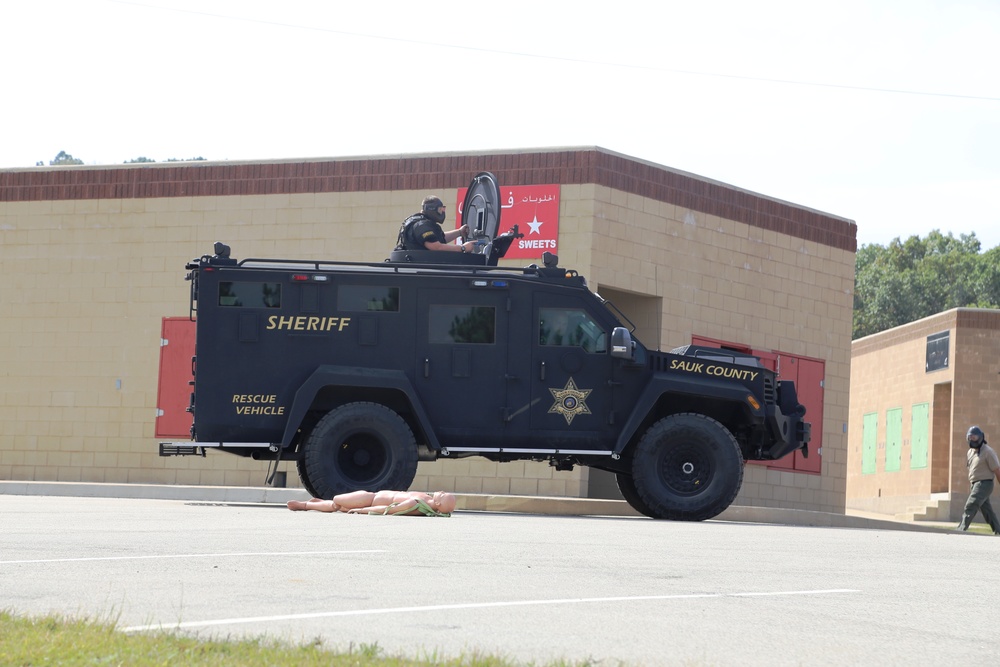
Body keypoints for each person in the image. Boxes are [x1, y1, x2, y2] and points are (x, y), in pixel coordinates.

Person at [396, 196, 476, 254]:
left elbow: (438, 238)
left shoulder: (423, 223)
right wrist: (463, 248)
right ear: (431, 209)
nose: (442, 212)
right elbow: (436, 247)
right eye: (440, 209)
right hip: (424, 268)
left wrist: (459, 232)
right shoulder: (422, 225)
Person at [957, 425, 1000, 534]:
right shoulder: (970, 452)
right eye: (970, 437)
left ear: (981, 437)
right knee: (987, 511)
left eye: (974, 437)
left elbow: (997, 470)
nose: (972, 440)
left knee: (971, 504)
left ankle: (961, 529)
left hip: (984, 483)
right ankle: (998, 531)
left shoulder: (988, 452)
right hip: (975, 484)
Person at [287, 489, 456, 517]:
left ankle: (305, 505)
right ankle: (315, 504)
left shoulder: (416, 503)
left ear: (439, 505)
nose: (440, 492)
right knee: (336, 504)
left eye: (442, 495)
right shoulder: (426, 501)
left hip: (370, 499)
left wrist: (362, 510)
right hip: (372, 497)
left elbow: (388, 509)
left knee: (337, 502)